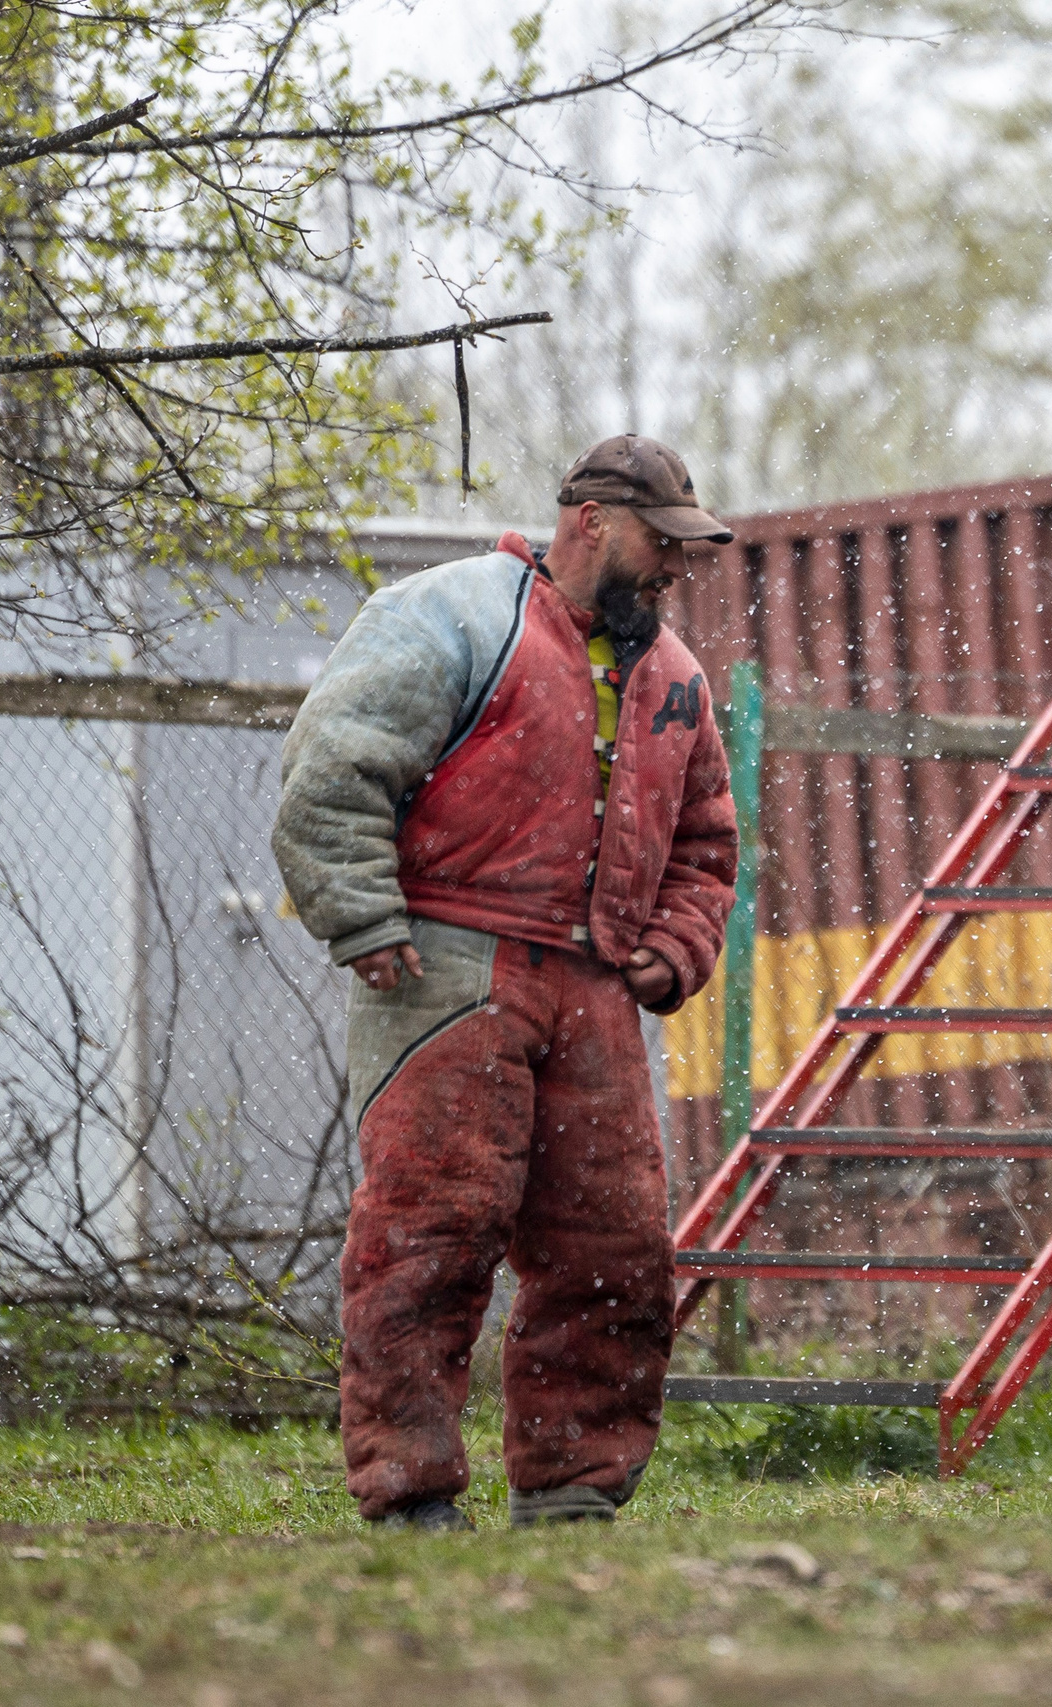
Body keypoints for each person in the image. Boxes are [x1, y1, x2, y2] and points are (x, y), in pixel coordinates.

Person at [273, 435, 740, 1531]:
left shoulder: (673, 677)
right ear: (588, 522)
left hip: (595, 983)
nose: (671, 570)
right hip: (444, 959)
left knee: (612, 1246)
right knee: (430, 1234)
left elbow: (707, 843)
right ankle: (409, 1491)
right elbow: (335, 764)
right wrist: (366, 917)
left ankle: (575, 1489)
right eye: (657, 544)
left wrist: (674, 946)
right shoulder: (451, 615)